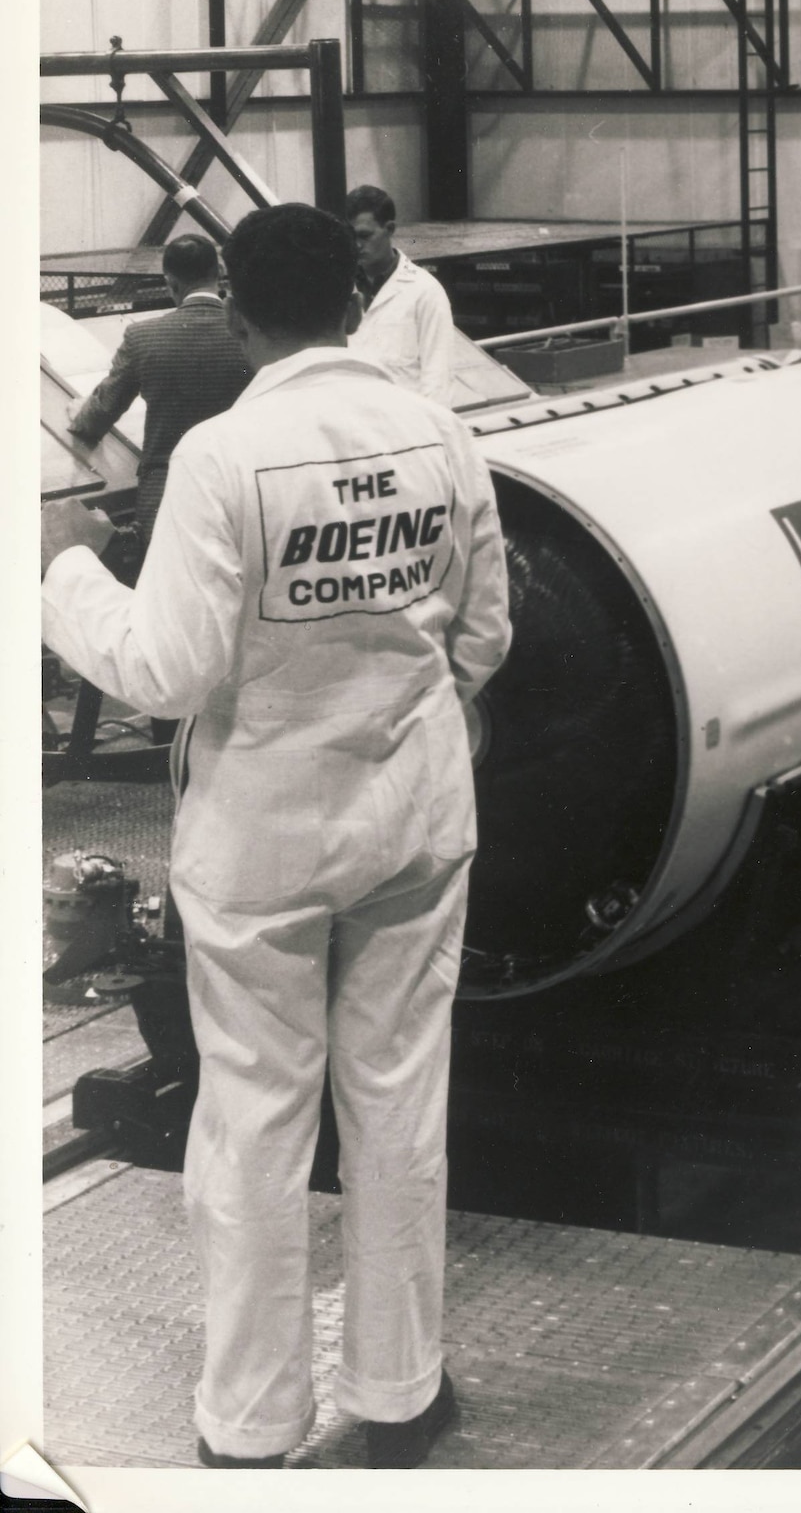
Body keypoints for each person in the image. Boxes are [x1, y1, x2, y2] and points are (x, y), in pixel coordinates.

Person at [41, 202, 512, 1470]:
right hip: (412, 824)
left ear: (238, 317)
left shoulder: (228, 458)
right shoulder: (441, 432)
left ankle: (250, 1426)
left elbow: (168, 667)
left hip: (263, 842)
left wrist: (65, 574)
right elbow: (484, 638)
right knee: (400, 1106)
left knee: (253, 1118)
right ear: (358, 305)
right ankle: (401, 1393)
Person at [70, 233, 255, 560]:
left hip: (167, 497)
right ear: (219, 274)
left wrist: (80, 414)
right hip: (242, 491)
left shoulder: (143, 337)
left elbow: (99, 414)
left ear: (170, 283)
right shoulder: (251, 334)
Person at [346, 184, 458, 406]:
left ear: (389, 229)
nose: (356, 245)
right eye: (349, 236)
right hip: (355, 425)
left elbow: (438, 379)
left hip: (406, 428)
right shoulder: (339, 289)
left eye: (364, 236)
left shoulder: (425, 291)